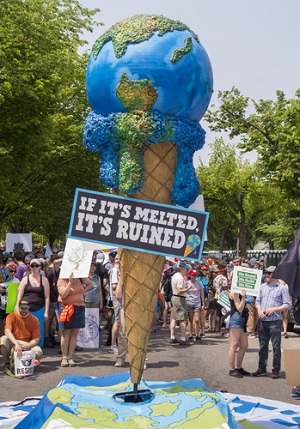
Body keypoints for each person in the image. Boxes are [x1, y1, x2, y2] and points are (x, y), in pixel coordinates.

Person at [253, 266, 291, 379]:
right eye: (266, 273)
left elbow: (287, 304)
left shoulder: (282, 287)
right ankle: (261, 367)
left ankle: (275, 369)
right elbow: (258, 301)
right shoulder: (262, 287)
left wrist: (274, 309)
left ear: (275, 274)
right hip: (263, 320)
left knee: (276, 346)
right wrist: (259, 311)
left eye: (269, 273)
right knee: (263, 346)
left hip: (275, 321)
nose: (267, 275)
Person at [57, 272, 93, 367]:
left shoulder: (81, 278)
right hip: (67, 307)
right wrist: (70, 283)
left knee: (74, 332)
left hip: (79, 307)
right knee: (66, 332)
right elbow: (63, 294)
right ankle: (64, 357)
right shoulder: (62, 279)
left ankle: (71, 357)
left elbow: (91, 283)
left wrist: (83, 291)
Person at [0, 299, 42, 376]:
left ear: (29, 308)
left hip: (26, 342)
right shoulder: (11, 316)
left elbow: (36, 339)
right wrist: (16, 344)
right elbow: (7, 332)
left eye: (25, 308)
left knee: (38, 351)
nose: (23, 310)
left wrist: (28, 345)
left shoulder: (34, 320)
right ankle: (7, 363)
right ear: (18, 307)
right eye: (21, 308)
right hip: (13, 341)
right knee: (2, 340)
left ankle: (23, 363)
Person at [17, 258, 50, 347]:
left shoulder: (44, 280)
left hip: (40, 309)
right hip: (26, 310)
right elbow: (19, 296)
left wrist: (46, 312)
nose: (34, 267)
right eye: (32, 265)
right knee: (25, 331)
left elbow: (47, 297)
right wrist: (17, 308)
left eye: (36, 265)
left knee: (39, 331)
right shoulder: (24, 279)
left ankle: (37, 352)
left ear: (40, 267)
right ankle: (26, 350)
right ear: (29, 267)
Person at [169, 261, 193, 345]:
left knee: (174, 318)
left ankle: (172, 337)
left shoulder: (174, 275)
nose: (187, 271)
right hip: (179, 298)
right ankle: (183, 339)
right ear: (182, 269)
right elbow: (179, 291)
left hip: (174, 297)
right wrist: (188, 288)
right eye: (186, 269)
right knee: (183, 319)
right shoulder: (180, 278)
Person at [228, 289, 250, 377]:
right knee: (234, 344)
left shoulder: (239, 292)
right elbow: (239, 308)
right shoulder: (235, 292)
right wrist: (244, 297)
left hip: (242, 319)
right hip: (236, 318)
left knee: (244, 345)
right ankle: (232, 369)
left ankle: (239, 367)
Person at [186, 268, 204, 341]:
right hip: (189, 302)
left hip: (197, 303)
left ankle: (197, 334)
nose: (194, 276)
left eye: (196, 275)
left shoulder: (199, 283)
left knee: (197, 320)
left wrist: (203, 303)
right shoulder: (187, 283)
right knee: (190, 319)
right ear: (190, 275)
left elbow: (202, 294)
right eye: (193, 275)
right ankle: (190, 334)